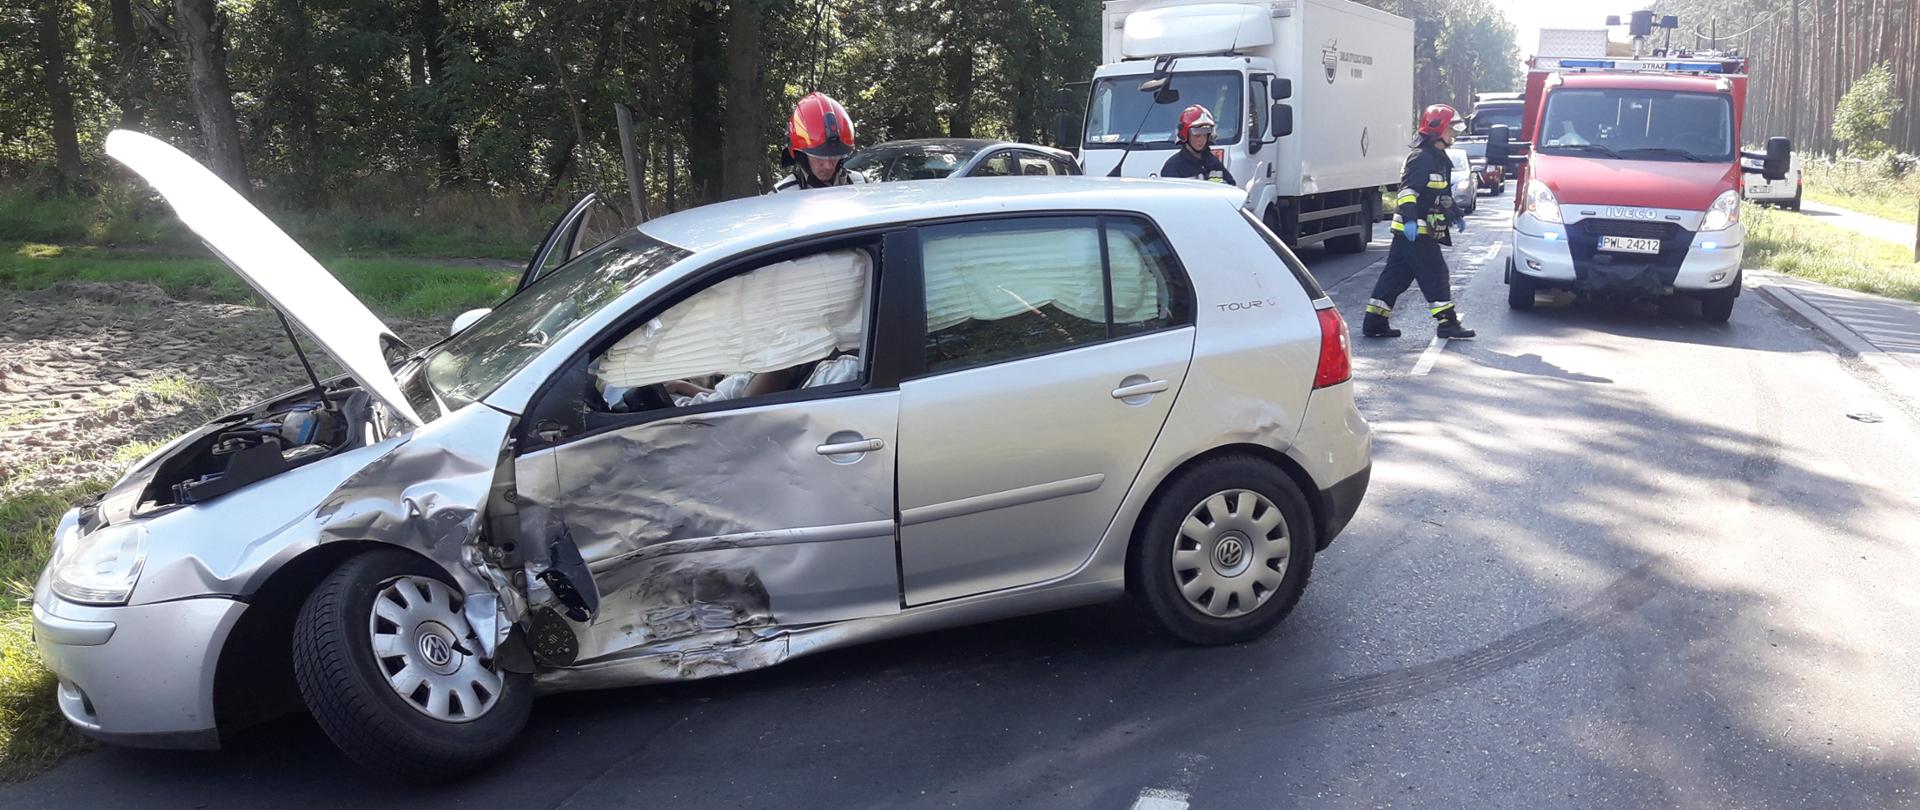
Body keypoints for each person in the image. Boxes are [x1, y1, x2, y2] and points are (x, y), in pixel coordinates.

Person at [1363, 103, 1476, 340]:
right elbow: (1407, 192)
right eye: (1450, 129)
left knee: (1396, 276)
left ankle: (1375, 321)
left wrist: (1455, 213)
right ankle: (1447, 322)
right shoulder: (1421, 158)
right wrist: (1410, 221)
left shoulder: (1438, 158)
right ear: (1438, 128)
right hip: (1416, 231)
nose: (1453, 134)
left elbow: (1442, 194)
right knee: (1436, 272)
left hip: (1417, 231)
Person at [772, 92, 870, 192]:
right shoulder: (783, 194)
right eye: (819, 158)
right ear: (801, 155)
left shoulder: (861, 184)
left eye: (834, 157)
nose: (828, 166)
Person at [1158, 105, 1236, 185]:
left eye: (1204, 135)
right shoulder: (1173, 166)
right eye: (1197, 135)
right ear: (1186, 135)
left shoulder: (1213, 162)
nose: (1201, 140)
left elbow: (1231, 187)